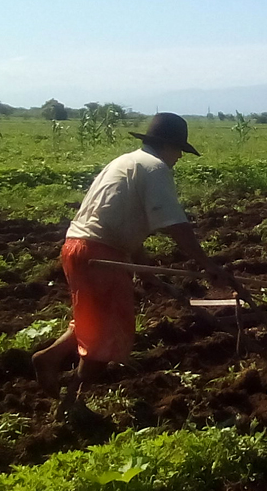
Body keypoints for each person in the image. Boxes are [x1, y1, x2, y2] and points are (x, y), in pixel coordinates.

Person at [32, 112, 237, 418]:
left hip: (77, 247)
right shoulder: (155, 169)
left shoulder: (125, 162)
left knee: (93, 321)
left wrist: (144, 266)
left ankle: (50, 359)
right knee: (109, 333)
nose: (180, 156)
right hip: (100, 255)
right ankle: (72, 404)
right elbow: (175, 224)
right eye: (179, 149)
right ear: (168, 145)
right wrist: (207, 264)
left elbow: (117, 217)